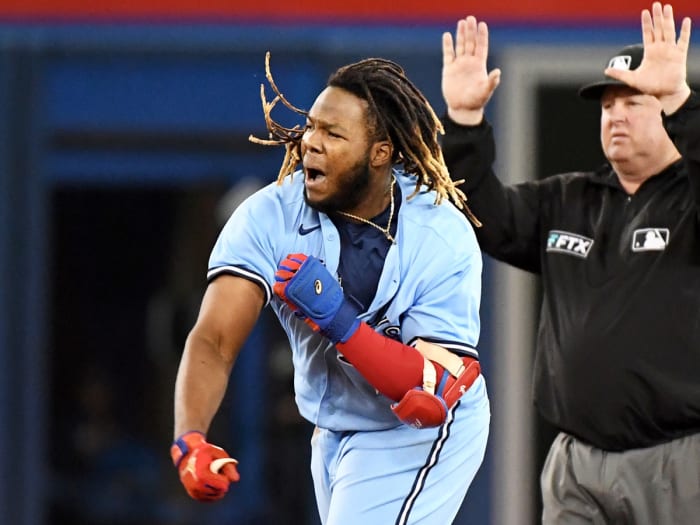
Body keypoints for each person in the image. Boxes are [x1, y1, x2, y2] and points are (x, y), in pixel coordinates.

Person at [170, 51, 491, 524]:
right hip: (333, 428)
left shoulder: (440, 232)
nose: (310, 145)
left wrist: (337, 318)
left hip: (419, 430)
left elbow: (425, 392)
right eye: (312, 127)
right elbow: (215, 339)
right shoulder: (270, 217)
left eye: (333, 134)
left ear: (380, 152)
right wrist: (189, 439)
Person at [440, 2, 699, 524]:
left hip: (677, 458)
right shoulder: (568, 198)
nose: (616, 115)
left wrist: (679, 98)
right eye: (607, 105)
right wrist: (465, 125)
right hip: (575, 463)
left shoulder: (689, 199)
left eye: (634, 101)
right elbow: (481, 216)